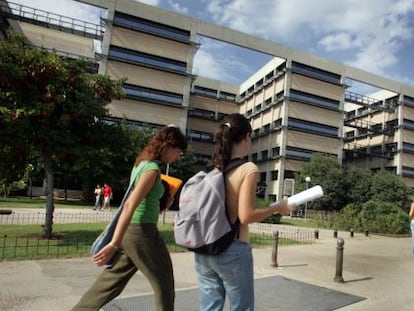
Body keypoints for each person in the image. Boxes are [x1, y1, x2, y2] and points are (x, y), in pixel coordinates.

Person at [71, 125, 187, 311]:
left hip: (133, 231)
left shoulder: (141, 165)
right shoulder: (152, 170)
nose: (178, 156)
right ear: (167, 146)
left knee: (111, 281)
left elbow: (144, 206)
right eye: (178, 151)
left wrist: (166, 202)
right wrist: (114, 244)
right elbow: (130, 205)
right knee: (164, 280)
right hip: (142, 232)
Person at [194, 113, 294, 311]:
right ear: (247, 137)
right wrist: (277, 208)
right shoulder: (248, 169)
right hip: (232, 249)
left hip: (204, 248)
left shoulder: (211, 167)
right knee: (242, 307)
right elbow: (246, 215)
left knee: (209, 307)